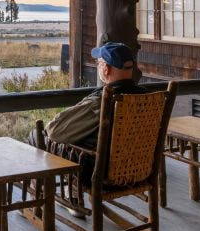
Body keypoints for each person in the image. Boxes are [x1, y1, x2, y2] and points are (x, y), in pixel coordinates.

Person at [33, 42, 147, 189]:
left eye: (99, 63)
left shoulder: (101, 102)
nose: (98, 66)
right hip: (138, 168)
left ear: (106, 69)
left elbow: (54, 131)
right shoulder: (148, 97)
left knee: (37, 136)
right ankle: (72, 192)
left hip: (100, 172)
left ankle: (38, 199)